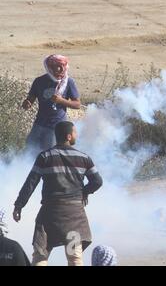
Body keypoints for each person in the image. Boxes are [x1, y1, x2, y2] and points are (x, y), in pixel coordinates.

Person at [13, 121, 103, 266]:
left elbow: (30, 183)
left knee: (40, 254)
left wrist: (19, 205)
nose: (76, 135)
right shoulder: (84, 158)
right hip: (74, 215)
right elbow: (97, 181)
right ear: (68, 136)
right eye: (75, 132)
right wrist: (84, 192)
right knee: (74, 258)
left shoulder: (45, 157)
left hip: (50, 214)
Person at [22, 54, 81, 153]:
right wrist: (27, 103)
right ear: (49, 68)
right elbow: (30, 99)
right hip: (39, 123)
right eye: (57, 67)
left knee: (49, 153)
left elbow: (77, 104)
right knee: (29, 149)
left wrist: (61, 101)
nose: (60, 70)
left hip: (56, 127)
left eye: (63, 67)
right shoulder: (39, 81)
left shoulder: (68, 82)